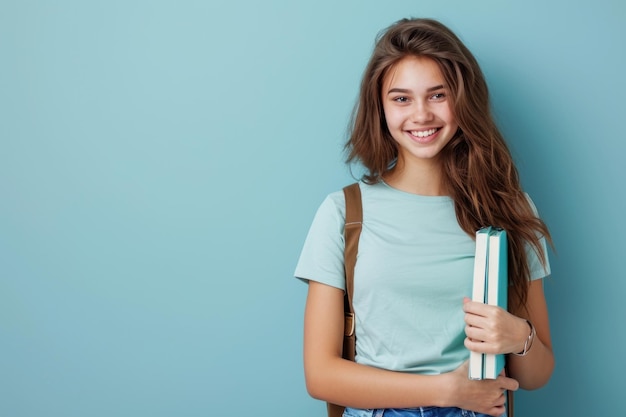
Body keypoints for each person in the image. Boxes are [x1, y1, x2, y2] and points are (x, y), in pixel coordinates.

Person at [294, 17, 554, 417]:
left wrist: (519, 337)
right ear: (379, 108)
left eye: (437, 95)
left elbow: (537, 375)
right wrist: (446, 390)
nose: (420, 115)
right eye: (401, 98)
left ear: (462, 99)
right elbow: (321, 375)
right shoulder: (344, 213)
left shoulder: (510, 209)